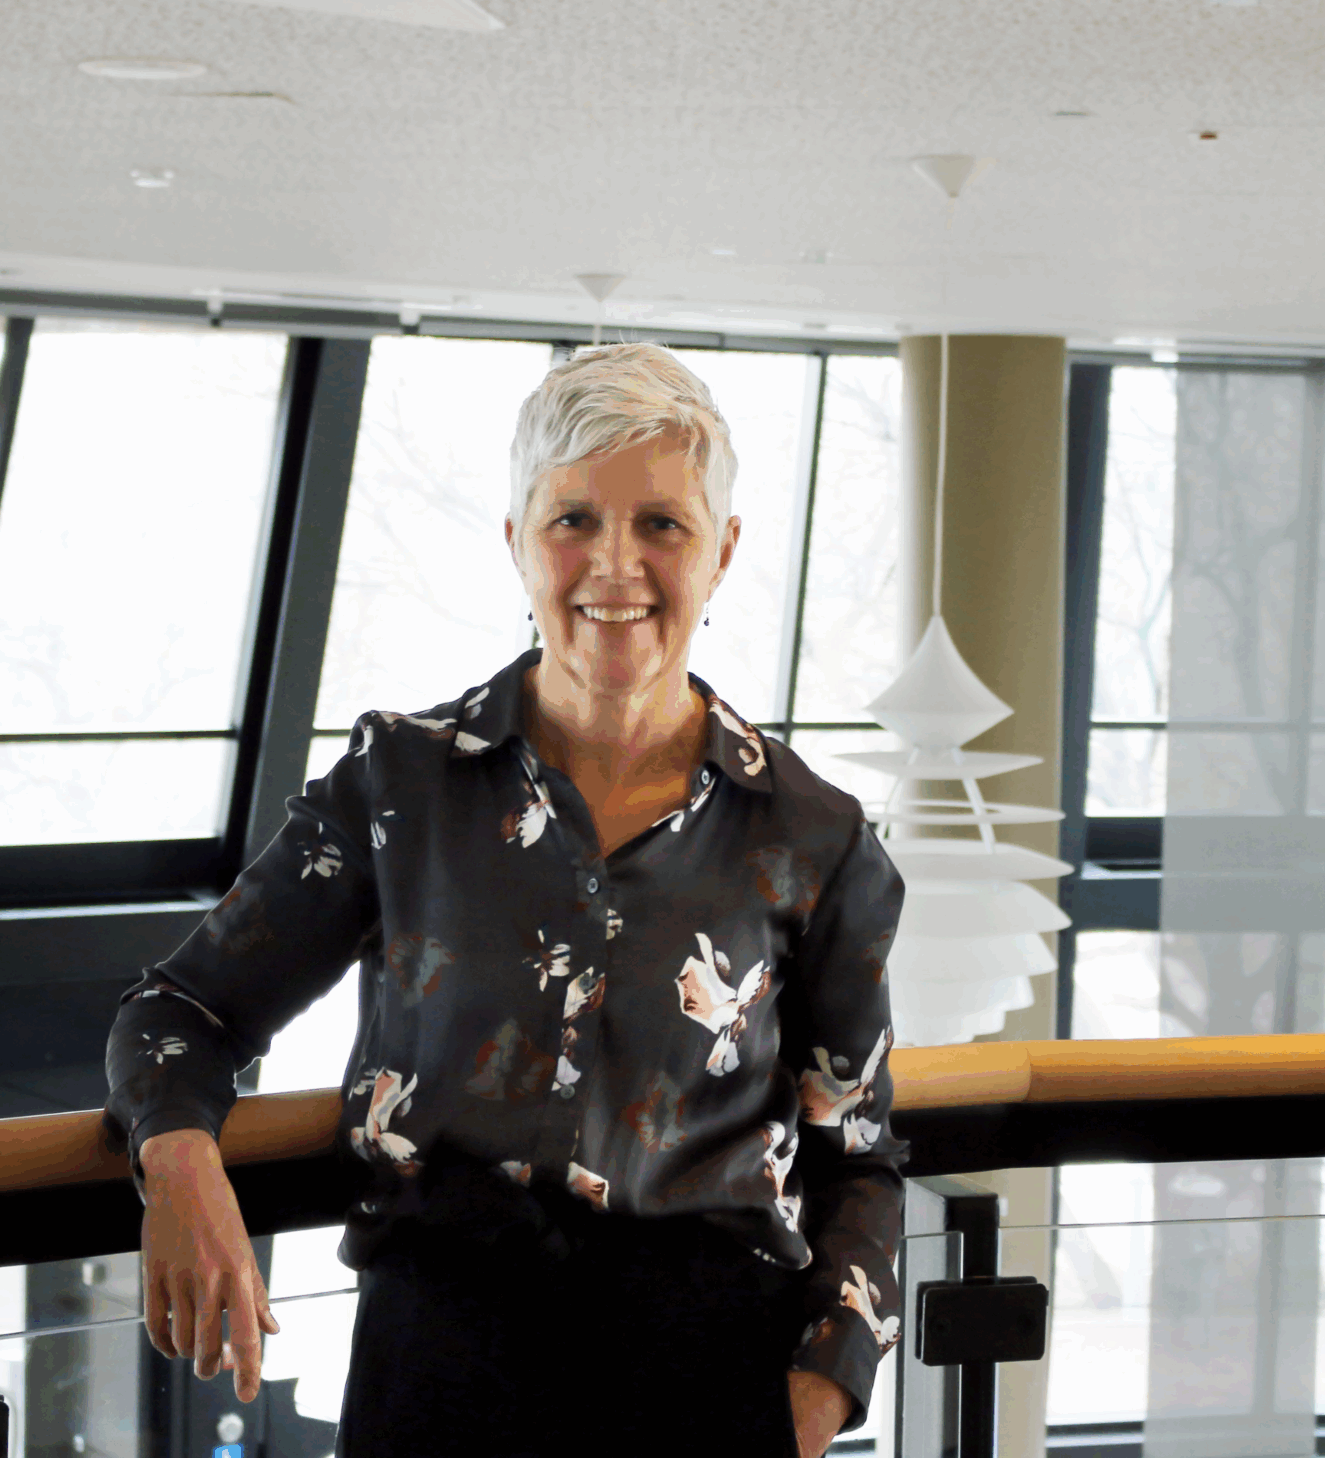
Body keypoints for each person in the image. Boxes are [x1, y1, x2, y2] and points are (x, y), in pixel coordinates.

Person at [104, 341, 907, 1458]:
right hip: (436, 1374)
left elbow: (858, 1156)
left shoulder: (813, 837)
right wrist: (182, 1165)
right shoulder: (399, 786)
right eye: (573, 519)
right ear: (517, 541)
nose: (614, 565)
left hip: (705, 1380)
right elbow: (180, 1011)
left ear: (722, 551)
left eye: (661, 525)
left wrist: (816, 1396)